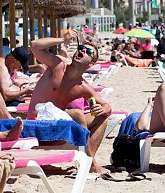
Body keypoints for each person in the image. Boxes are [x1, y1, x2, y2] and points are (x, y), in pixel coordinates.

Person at [28, 30, 112, 174]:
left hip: (56, 129)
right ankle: (90, 163)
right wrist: (62, 39)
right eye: (80, 48)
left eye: (87, 51)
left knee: (102, 119)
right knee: (78, 115)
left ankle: (89, 160)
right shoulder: (57, 65)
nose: (82, 51)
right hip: (36, 125)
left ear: (91, 63)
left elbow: (106, 106)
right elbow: (34, 45)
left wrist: (104, 109)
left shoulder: (82, 86)